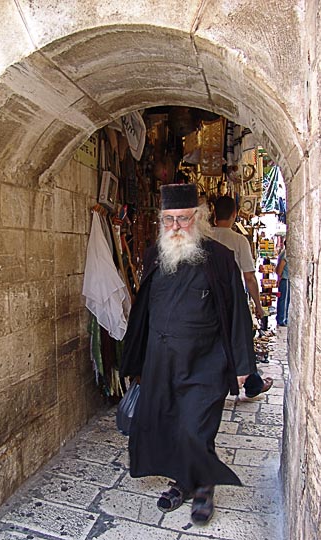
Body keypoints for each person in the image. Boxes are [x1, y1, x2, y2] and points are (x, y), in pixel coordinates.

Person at [120, 183, 257, 526]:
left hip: (205, 362)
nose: (176, 227)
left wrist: (242, 365)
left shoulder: (220, 259)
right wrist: (137, 358)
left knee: (196, 428)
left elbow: (238, 313)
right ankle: (183, 482)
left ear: (198, 218)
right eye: (169, 220)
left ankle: (204, 488)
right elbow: (144, 311)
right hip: (162, 362)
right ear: (161, 221)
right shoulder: (155, 255)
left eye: (183, 219)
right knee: (170, 425)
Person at [211, 196, 273, 398]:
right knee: (241, 339)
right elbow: (249, 277)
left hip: (208, 300)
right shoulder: (238, 240)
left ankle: (247, 382)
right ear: (234, 214)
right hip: (232, 301)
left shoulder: (205, 237)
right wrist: (258, 304)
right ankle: (252, 384)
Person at [275, 240, 289, 326]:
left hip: (283, 279)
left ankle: (281, 318)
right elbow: (280, 267)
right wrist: (280, 276)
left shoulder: (283, 252)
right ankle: (282, 319)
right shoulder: (286, 254)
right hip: (285, 278)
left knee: (283, 299)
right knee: (284, 300)